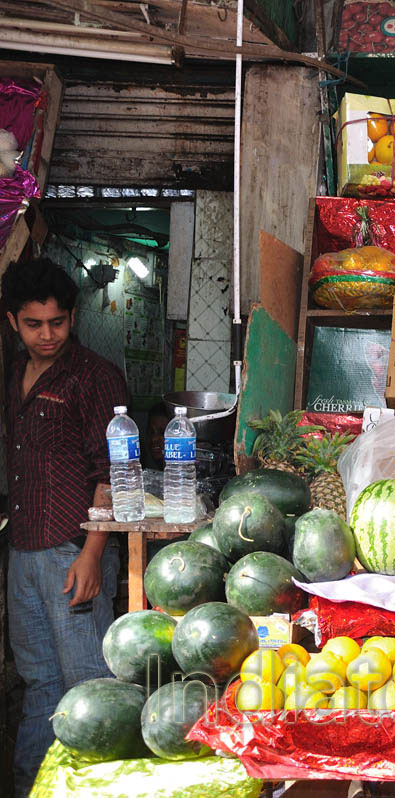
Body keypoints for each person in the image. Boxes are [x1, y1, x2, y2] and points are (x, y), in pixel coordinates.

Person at [4, 257, 128, 796]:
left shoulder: (95, 377)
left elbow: (112, 473)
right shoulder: (13, 374)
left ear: (72, 318)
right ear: (13, 322)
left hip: (73, 551)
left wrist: (94, 554)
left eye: (57, 322)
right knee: (39, 685)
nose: (48, 334)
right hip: (24, 550)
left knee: (86, 687)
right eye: (34, 324)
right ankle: (33, 785)